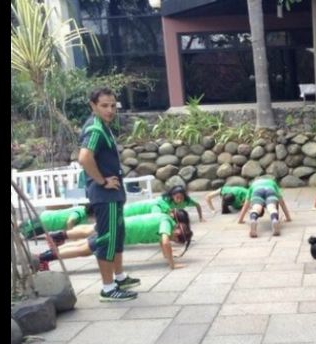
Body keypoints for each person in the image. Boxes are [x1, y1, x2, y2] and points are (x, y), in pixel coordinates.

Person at [78, 87, 139, 302]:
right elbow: (84, 157)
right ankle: (108, 287)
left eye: (113, 105)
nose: (110, 110)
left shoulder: (103, 126)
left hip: (112, 194)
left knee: (117, 236)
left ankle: (119, 277)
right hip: (105, 195)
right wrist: (102, 181)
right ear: (93, 106)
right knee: (106, 239)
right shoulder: (95, 129)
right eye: (104, 105)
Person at [37, 209, 193, 275]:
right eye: (178, 240)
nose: (174, 241)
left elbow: (163, 242)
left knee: (82, 244)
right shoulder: (167, 224)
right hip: (114, 233)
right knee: (83, 250)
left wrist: (168, 256)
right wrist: (172, 264)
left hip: (115, 225)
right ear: (178, 231)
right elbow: (165, 242)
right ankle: (43, 258)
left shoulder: (164, 219)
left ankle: (48, 252)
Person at [123, 186, 204, 222]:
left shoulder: (187, 201)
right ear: (172, 196)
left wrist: (201, 218)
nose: (179, 200)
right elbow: (164, 207)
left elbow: (198, 205)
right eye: (177, 198)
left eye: (181, 198)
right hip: (155, 206)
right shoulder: (166, 200)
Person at [19, 205, 90, 239]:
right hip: (47, 220)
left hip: (49, 221)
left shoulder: (81, 208)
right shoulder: (80, 213)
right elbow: (70, 221)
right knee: (24, 229)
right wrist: (71, 235)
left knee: (27, 233)